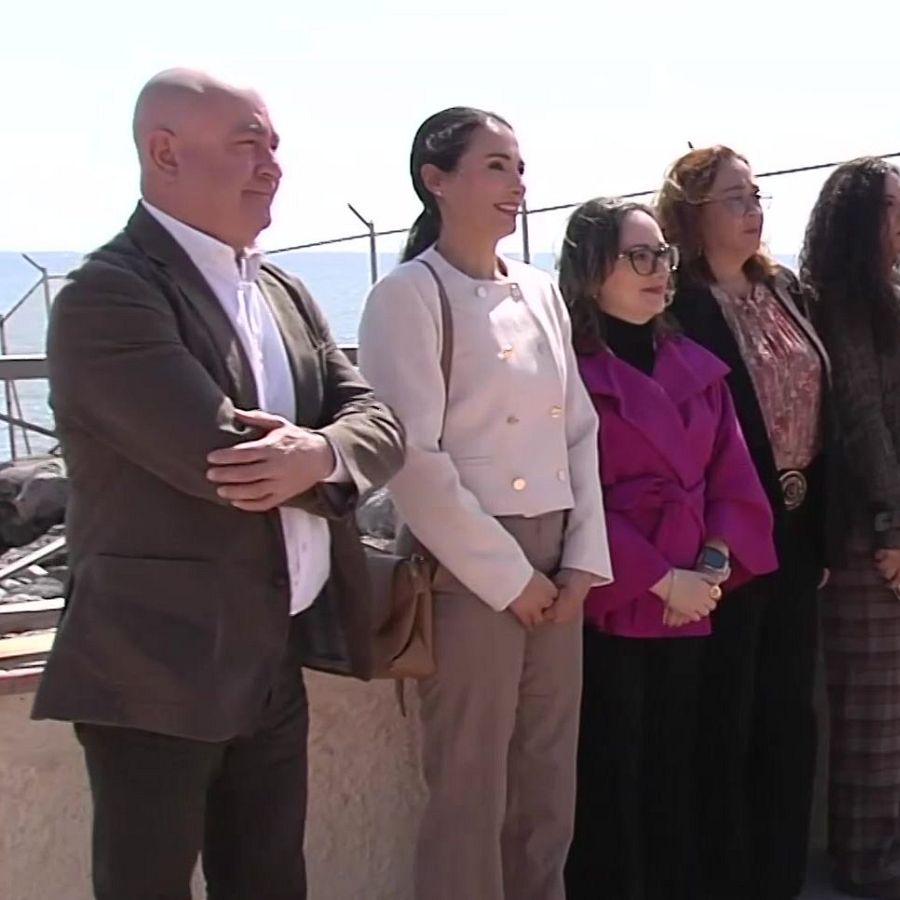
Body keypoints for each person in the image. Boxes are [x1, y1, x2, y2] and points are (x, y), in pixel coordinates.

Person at [31, 68, 404, 899]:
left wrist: (318, 453)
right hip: (154, 669)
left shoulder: (279, 288)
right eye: (248, 145)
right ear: (165, 153)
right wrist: (329, 454)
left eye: (273, 146)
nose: (272, 166)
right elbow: (222, 459)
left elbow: (379, 421)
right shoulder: (108, 295)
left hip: (272, 657)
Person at [357, 107, 612, 900]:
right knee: (469, 788)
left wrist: (579, 562)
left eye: (519, 166)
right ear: (436, 181)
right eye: (495, 166)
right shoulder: (407, 296)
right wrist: (511, 577)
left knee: (547, 778)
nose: (517, 183)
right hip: (467, 567)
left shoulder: (540, 291)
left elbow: (578, 431)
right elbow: (413, 458)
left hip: (553, 558)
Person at [558, 197, 778, 900]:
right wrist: (661, 581)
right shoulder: (567, 374)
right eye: (640, 257)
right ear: (593, 272)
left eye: (664, 256)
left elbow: (732, 478)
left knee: (682, 771)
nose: (659, 271)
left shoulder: (696, 366)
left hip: (696, 601)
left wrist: (710, 567)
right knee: (612, 778)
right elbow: (576, 496)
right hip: (612, 603)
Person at [656, 145, 830, 900]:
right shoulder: (678, 305)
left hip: (797, 528)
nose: (754, 209)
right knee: (723, 719)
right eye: (735, 198)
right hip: (722, 541)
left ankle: (779, 875)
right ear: (692, 214)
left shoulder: (783, 289)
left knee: (790, 715)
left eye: (758, 195)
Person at [800, 158, 900, 900]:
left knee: (898, 701)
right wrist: (894, 523)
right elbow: (861, 422)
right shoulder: (843, 305)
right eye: (893, 204)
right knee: (871, 706)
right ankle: (870, 862)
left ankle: (891, 847)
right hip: (869, 536)